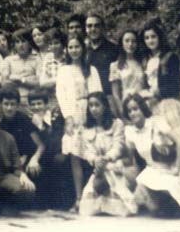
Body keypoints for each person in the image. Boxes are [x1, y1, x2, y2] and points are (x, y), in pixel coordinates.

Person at [124, 93, 180, 218]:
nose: (132, 113)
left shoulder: (156, 123)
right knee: (151, 204)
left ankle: (175, 203)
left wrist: (177, 168)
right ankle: (165, 204)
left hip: (169, 168)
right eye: (129, 111)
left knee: (171, 189)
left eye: (135, 109)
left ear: (142, 108)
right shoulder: (130, 132)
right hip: (152, 171)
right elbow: (131, 159)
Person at [55, 36, 102, 209]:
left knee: (94, 152)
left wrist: (95, 114)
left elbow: (97, 93)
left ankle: (96, 196)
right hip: (73, 113)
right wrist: (68, 116)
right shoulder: (64, 70)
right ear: (67, 50)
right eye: (71, 47)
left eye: (77, 46)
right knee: (76, 156)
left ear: (83, 48)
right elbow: (61, 94)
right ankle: (78, 198)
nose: (74, 50)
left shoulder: (91, 69)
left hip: (90, 112)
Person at [78, 91, 137, 217]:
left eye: (97, 105)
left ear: (104, 106)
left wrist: (107, 158)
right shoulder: (86, 128)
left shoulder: (117, 124)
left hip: (117, 165)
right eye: (91, 105)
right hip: (99, 167)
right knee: (87, 208)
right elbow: (87, 150)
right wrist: (95, 160)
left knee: (122, 204)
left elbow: (118, 145)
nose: (94, 109)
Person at [141, 20, 180, 155]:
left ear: (159, 38)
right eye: (147, 38)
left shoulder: (170, 57)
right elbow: (148, 83)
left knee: (178, 144)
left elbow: (177, 85)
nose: (150, 40)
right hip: (153, 106)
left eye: (153, 36)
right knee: (162, 147)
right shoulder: (146, 60)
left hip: (168, 103)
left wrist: (157, 93)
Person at [28, 89, 74, 210]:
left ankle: (61, 203)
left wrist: (41, 127)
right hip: (41, 154)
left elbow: (54, 145)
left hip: (57, 153)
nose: (36, 107)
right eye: (33, 104)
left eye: (39, 103)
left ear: (46, 104)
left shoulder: (56, 118)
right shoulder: (29, 119)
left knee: (58, 160)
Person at [0, 88, 44, 177]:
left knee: (35, 170)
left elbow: (40, 145)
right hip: (6, 162)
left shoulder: (24, 119)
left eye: (12, 104)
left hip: (26, 159)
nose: (9, 108)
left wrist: (34, 159)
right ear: (0, 104)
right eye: (6, 104)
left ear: (18, 105)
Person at [109, 28, 146, 117]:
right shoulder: (115, 66)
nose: (130, 44)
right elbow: (116, 94)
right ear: (122, 43)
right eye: (127, 41)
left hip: (143, 102)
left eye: (133, 41)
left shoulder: (143, 63)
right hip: (127, 104)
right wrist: (122, 112)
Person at [0, 29, 39, 106]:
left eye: (23, 41)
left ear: (29, 43)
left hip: (33, 101)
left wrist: (21, 80)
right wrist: (30, 80)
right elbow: (4, 83)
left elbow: (39, 83)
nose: (21, 45)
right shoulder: (8, 60)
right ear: (14, 45)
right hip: (14, 102)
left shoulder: (37, 60)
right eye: (17, 42)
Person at [85, 13, 118, 98]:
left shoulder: (114, 49)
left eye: (97, 26)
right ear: (85, 29)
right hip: (90, 99)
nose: (93, 29)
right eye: (89, 26)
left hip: (109, 97)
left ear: (103, 28)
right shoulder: (83, 51)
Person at [36, 27, 66, 106]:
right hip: (52, 99)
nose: (53, 46)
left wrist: (52, 82)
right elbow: (42, 83)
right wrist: (60, 80)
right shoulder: (48, 58)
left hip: (67, 97)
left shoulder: (68, 58)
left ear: (62, 43)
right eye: (50, 44)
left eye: (56, 43)